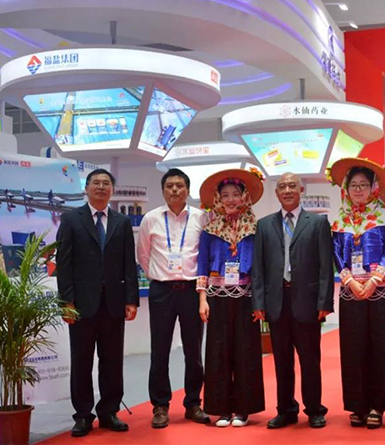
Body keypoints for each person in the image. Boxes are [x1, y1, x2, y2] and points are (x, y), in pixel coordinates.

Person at [56, 169, 139, 437]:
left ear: (112, 190)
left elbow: (129, 263)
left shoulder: (122, 222)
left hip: (113, 304)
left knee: (112, 361)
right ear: (87, 188)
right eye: (96, 183)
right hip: (81, 304)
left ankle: (109, 411)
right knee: (81, 361)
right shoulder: (71, 220)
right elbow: (64, 263)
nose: (101, 187)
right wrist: (66, 301)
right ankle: (82, 415)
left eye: (106, 183)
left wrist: (131, 300)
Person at [329, 158, 385, 429]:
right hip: (351, 292)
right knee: (354, 348)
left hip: (379, 291)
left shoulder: (384, 217)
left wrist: (373, 281)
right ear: (346, 188)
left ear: (373, 188)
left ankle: (378, 405)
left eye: (364, 185)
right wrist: (350, 282)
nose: (358, 190)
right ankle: (358, 404)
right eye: (354, 185)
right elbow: (336, 254)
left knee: (380, 347)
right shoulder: (340, 220)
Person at [252, 172, 334, 429]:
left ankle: (314, 409)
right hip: (277, 302)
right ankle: (286, 410)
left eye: (292, 186)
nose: (287, 190)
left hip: (307, 302)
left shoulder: (317, 223)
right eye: (282, 187)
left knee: (310, 360)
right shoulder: (264, 225)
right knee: (282, 362)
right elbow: (258, 268)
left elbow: (325, 266)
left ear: (301, 190)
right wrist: (258, 303)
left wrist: (324, 302)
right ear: (276, 193)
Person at [136, 168, 209, 429]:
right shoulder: (151, 219)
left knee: (193, 350)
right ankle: (160, 406)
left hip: (191, 290)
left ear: (188, 190)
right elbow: (143, 255)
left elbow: (206, 254)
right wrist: (161, 276)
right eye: (169, 186)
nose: (174, 190)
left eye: (179, 185)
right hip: (162, 291)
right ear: (163, 190)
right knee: (160, 350)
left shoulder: (201, 218)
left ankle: (193, 403)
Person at [195, 168, 266, 427]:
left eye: (235, 194)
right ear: (218, 198)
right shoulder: (210, 229)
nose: (230, 200)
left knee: (246, 352)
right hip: (217, 296)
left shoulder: (255, 228)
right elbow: (202, 265)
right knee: (218, 353)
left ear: (244, 196)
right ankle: (221, 408)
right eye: (224, 195)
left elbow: (261, 268)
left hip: (246, 297)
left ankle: (243, 409)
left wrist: (260, 303)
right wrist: (202, 299)